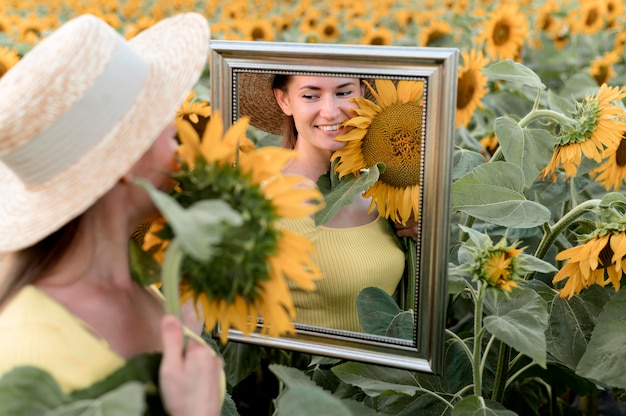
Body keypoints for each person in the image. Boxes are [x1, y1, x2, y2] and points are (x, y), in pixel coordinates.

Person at [0, 13, 223, 415]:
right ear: (124, 163)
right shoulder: (24, 351)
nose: (181, 153)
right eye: (170, 134)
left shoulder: (146, 290)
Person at [239, 73, 418, 333]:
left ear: (362, 94)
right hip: (302, 370)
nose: (330, 112)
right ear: (284, 100)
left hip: (384, 370)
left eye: (344, 93)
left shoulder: (387, 183)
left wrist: (423, 241)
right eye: (311, 96)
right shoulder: (260, 198)